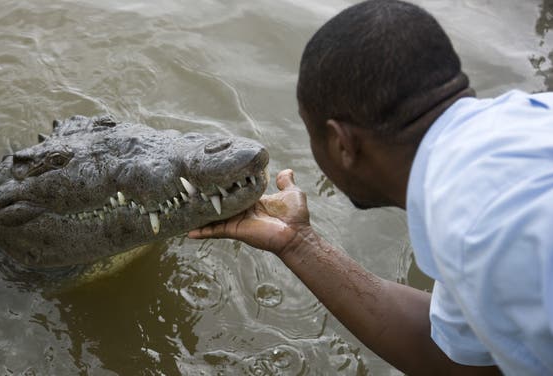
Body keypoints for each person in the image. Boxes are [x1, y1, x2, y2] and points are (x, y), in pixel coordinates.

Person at [188, 0, 553, 374]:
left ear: (341, 143)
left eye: (310, 132)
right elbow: (456, 357)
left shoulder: (479, 232)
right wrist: (298, 242)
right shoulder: (527, 124)